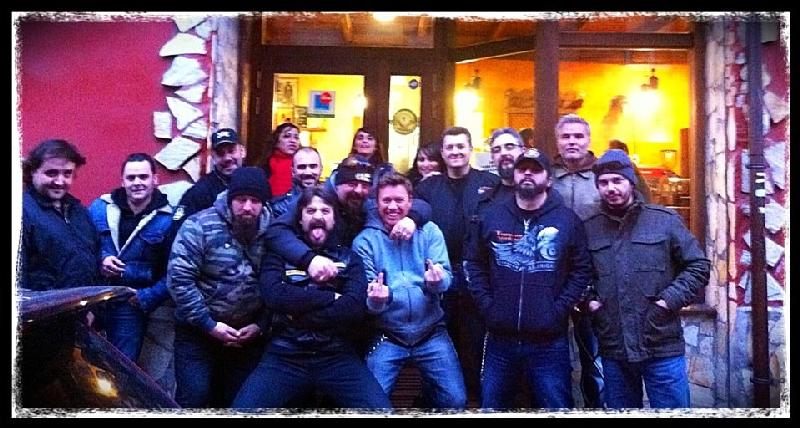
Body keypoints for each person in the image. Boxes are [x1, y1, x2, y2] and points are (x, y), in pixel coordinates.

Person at [233, 186, 392, 410]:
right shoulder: (278, 256)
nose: (318, 216)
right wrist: (330, 297)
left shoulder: (349, 258)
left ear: (334, 219)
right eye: (311, 211)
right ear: (300, 220)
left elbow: (353, 307)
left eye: (325, 211)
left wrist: (296, 314)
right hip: (285, 354)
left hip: (336, 355)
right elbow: (275, 296)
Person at [464, 148, 593, 409]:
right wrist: (489, 306)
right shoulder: (493, 216)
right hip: (500, 339)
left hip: (549, 341)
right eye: (522, 169)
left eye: (536, 170)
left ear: (549, 179)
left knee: (557, 406)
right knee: (492, 408)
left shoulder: (567, 221)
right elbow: (473, 263)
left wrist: (557, 310)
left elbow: (581, 270)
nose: (527, 174)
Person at [583, 149, 710, 408]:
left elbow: (698, 266)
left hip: (661, 345)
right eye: (604, 182)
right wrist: (591, 302)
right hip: (614, 348)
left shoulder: (664, 221)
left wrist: (668, 301)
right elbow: (580, 274)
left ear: (631, 182)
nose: (611, 188)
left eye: (617, 180)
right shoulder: (590, 228)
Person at [353, 173, 467, 409]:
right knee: (371, 405)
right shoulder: (365, 241)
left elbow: (446, 279)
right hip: (388, 334)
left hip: (430, 331)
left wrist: (436, 282)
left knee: (455, 400)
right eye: (386, 200)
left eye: (399, 200)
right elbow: (368, 301)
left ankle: (424, 403)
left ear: (410, 202)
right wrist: (377, 300)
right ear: (376, 203)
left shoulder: (430, 231)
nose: (392, 206)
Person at [167, 167, 273, 408]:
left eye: (255, 201)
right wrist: (209, 325)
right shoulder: (199, 226)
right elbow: (179, 279)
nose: (248, 207)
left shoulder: (275, 232)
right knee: (195, 398)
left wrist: (261, 325)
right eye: (241, 200)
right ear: (230, 198)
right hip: (198, 331)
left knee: (241, 402)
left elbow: (279, 282)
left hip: (249, 335)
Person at [414, 126, 500, 401]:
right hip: (440, 274)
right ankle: (435, 398)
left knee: (475, 339)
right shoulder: (428, 186)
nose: (455, 151)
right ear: (442, 152)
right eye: (450, 147)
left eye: (461, 146)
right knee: (439, 339)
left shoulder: (490, 182)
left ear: (470, 149)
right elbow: (416, 209)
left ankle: (473, 397)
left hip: (479, 275)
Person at [266, 155, 430, 286]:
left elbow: (422, 205)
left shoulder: (366, 201)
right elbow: (276, 231)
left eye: (364, 185)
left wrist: (411, 219)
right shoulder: (317, 199)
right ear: (337, 185)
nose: (358, 190)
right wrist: (309, 259)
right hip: (311, 276)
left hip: (352, 275)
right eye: (352, 184)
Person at [88, 153, 174, 363]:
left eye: (143, 177)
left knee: (121, 365)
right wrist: (102, 259)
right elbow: (80, 246)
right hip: (93, 296)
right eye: (131, 177)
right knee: (80, 362)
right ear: (122, 181)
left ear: (155, 179)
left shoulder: (169, 219)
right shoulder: (99, 208)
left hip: (130, 303)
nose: (137, 182)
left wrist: (147, 297)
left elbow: (175, 271)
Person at [19, 139, 99, 291]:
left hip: (86, 304)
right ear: (33, 172)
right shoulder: (21, 212)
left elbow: (95, 253)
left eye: (67, 174)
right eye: (51, 173)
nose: (59, 181)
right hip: (46, 305)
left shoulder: (79, 211)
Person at [173, 128, 248, 224]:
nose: (227, 158)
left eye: (231, 151)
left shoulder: (255, 183)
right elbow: (178, 228)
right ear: (213, 157)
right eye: (220, 153)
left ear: (242, 151)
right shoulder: (200, 192)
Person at [271, 147, 323, 218]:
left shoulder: (333, 201)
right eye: (302, 167)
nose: (308, 172)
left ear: (321, 169)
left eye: (313, 166)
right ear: (293, 171)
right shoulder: (280, 207)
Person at [264, 122, 301, 197]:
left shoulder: (303, 164)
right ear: (276, 141)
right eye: (287, 136)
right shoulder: (265, 165)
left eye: (296, 137)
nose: (292, 141)